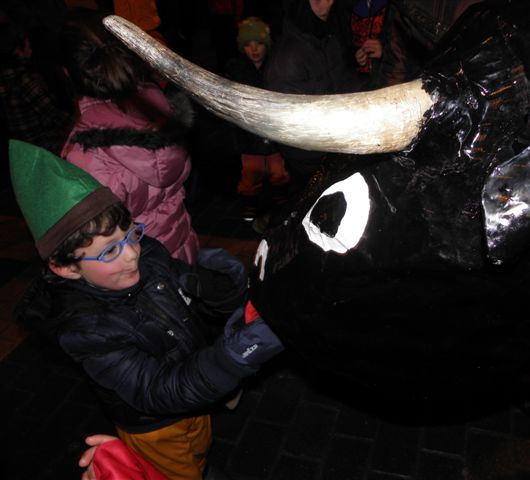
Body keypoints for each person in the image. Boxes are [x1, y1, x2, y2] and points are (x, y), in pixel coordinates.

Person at [10, 139, 284, 480]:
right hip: (155, 425)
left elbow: (181, 282)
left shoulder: (147, 252)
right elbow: (157, 391)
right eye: (109, 251)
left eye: (130, 234)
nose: (132, 254)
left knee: (199, 445)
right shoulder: (84, 331)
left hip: (197, 383)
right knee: (177, 468)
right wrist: (234, 356)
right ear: (65, 268)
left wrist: (223, 287)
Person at [58, 10, 199, 263]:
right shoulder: (163, 109)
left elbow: (97, 244)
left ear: (67, 73)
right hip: (181, 249)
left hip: (137, 270)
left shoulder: (86, 155)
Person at [264, 0, 364, 196]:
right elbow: (292, 128)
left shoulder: (328, 37)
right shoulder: (286, 59)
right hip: (312, 161)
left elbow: (341, 83)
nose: (329, 3)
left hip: (338, 149)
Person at [225, 16, 289, 229]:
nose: (254, 49)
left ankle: (281, 199)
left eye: (259, 43)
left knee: (279, 172)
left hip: (273, 137)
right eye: (248, 45)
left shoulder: (277, 66)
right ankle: (250, 202)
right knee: (251, 175)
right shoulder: (236, 70)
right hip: (248, 138)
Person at [0, 20, 72, 154]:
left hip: (23, 148)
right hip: (46, 146)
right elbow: (55, 115)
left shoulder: (6, 77)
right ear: (17, 49)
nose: (30, 44)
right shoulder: (25, 80)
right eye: (26, 41)